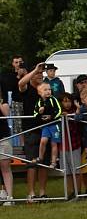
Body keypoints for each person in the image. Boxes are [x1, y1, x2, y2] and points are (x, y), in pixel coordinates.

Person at [17, 63, 49, 201]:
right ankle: (31, 193)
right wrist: (35, 69)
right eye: (37, 74)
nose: (40, 75)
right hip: (31, 130)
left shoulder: (45, 90)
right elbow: (21, 83)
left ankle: (42, 192)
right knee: (31, 163)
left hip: (45, 130)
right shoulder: (28, 89)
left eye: (42, 73)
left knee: (43, 163)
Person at [59, 93, 82, 199]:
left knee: (76, 169)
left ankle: (78, 191)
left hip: (74, 144)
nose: (67, 104)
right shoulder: (58, 113)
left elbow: (77, 124)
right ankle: (71, 192)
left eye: (68, 101)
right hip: (62, 146)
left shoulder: (74, 112)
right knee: (66, 171)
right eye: (64, 101)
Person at [33, 81, 62, 168]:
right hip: (45, 126)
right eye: (45, 90)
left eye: (49, 89)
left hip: (54, 124)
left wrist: (51, 117)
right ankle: (40, 157)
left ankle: (53, 162)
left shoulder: (54, 99)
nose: (48, 91)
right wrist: (39, 113)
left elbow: (59, 110)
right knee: (43, 141)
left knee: (54, 143)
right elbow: (35, 114)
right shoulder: (39, 102)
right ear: (39, 92)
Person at [0, 93, 14, 205]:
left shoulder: (3, 102)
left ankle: (10, 197)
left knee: (5, 168)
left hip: (3, 138)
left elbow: (6, 113)